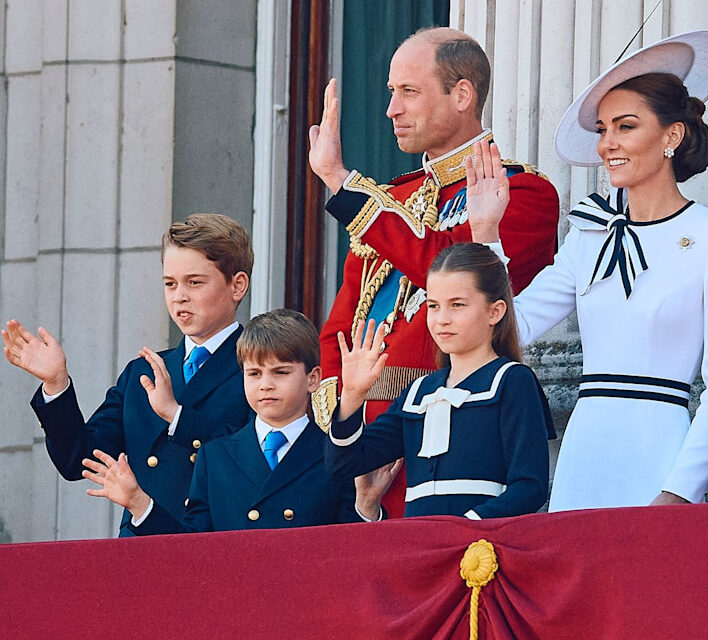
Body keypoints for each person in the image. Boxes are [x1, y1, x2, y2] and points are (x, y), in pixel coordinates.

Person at [470, 31, 708, 511]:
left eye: (625, 126)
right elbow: (515, 324)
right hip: (585, 453)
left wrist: (682, 488)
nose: (607, 144)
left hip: (662, 453)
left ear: (672, 136)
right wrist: (486, 233)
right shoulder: (588, 233)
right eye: (602, 129)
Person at [307, 27, 559, 515]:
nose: (392, 109)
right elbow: (342, 327)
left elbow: (447, 267)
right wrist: (347, 414)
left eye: (409, 92)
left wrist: (341, 181)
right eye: (391, 93)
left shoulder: (524, 193)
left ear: (462, 94)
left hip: (457, 433)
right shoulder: (390, 200)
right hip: (364, 441)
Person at [2, 213, 256, 536]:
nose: (179, 296)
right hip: (137, 552)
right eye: (170, 283)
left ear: (237, 286)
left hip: (213, 553)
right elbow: (78, 459)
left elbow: (252, 465)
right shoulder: (143, 373)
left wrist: (177, 416)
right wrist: (56, 384)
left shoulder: (257, 371)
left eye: (194, 282)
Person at [80, 309, 396, 532]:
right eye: (254, 373)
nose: (266, 384)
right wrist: (138, 503)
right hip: (232, 614)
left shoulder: (333, 458)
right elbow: (190, 551)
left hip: (303, 613)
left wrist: (366, 506)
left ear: (313, 378)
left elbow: (349, 557)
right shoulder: (214, 455)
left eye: (281, 372)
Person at [325, 243, 552, 519]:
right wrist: (351, 396)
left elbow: (530, 487)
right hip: (421, 547)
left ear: (495, 311)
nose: (442, 320)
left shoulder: (512, 381)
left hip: (483, 551)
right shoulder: (418, 393)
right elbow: (344, 464)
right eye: (433, 306)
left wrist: (465, 528)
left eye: (457, 305)